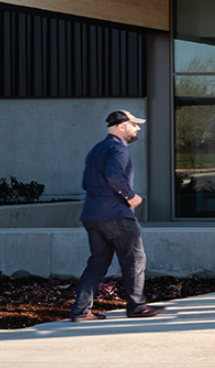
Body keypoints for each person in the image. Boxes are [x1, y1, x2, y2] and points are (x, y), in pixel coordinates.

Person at [69, 109, 164, 322]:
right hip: (116, 215)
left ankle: (80, 311)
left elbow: (86, 182)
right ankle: (137, 307)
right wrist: (130, 196)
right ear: (121, 127)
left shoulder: (97, 149)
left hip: (92, 216)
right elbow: (113, 174)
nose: (138, 128)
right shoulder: (118, 148)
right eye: (134, 124)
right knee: (135, 259)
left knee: (97, 263)